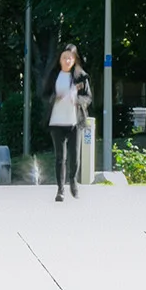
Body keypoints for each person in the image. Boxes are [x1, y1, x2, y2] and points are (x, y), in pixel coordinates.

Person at [43, 43, 87, 200]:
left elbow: (88, 97)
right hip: (56, 122)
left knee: (75, 157)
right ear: (59, 59)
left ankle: (73, 181)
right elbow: (44, 94)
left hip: (75, 122)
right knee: (60, 157)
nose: (67, 60)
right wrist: (55, 97)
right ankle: (60, 190)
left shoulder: (81, 76)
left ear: (74, 60)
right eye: (64, 57)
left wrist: (77, 100)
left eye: (70, 58)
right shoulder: (54, 75)